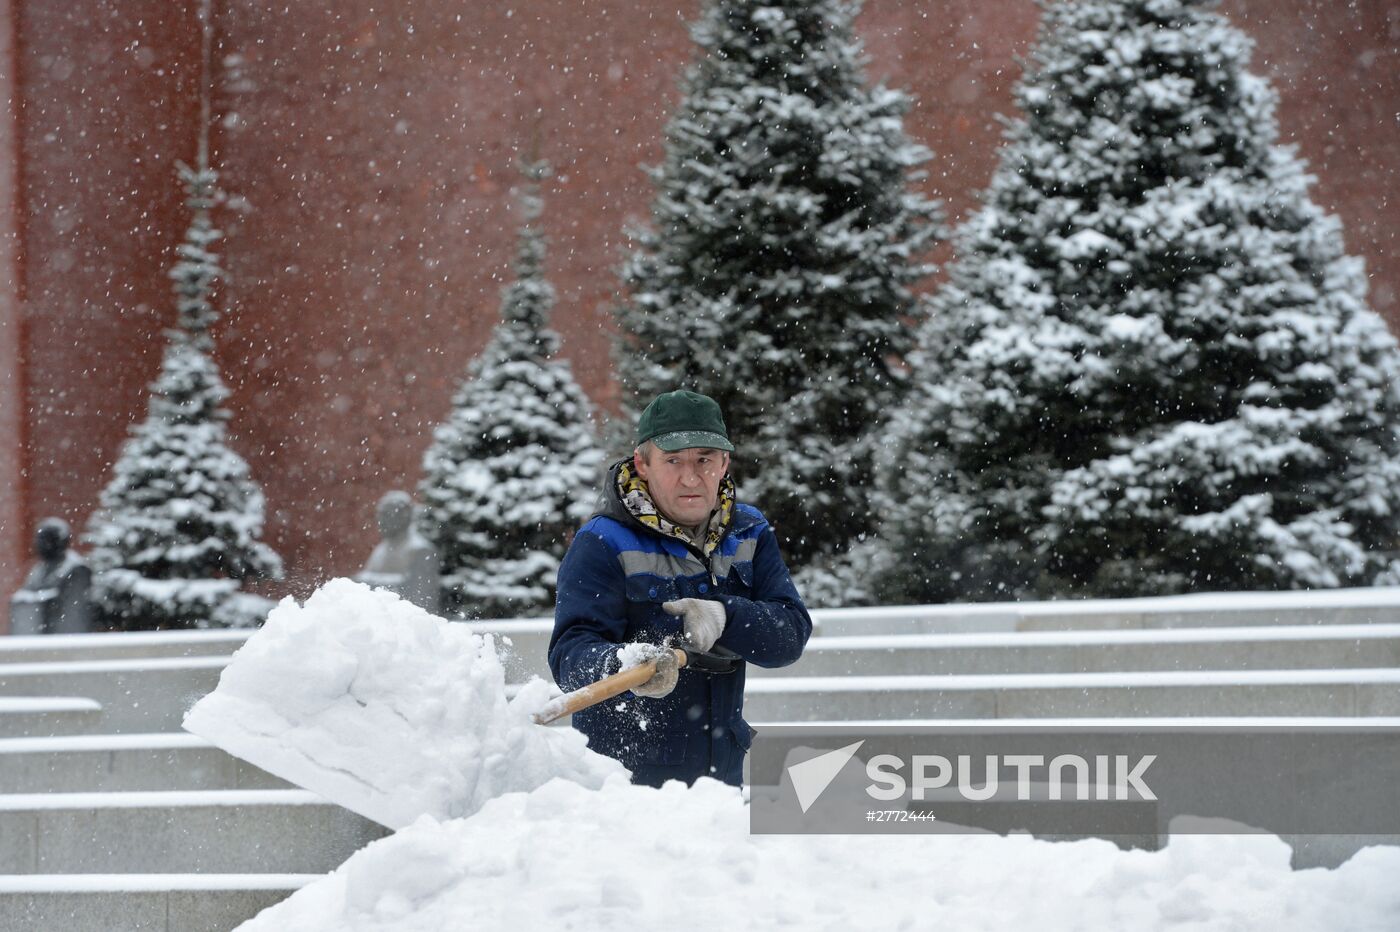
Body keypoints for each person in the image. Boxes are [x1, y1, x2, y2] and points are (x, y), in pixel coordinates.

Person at [548, 389, 811, 787]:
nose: (691, 477)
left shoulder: (749, 532)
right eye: (673, 460)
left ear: (724, 463)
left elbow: (789, 636)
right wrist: (627, 663)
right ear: (643, 464)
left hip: (719, 777)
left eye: (704, 459)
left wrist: (725, 617)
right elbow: (569, 657)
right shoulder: (603, 542)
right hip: (624, 784)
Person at [356, 491, 442, 613]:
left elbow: (419, 598)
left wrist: (364, 583)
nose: (380, 521)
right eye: (380, 515)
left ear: (404, 517)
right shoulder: (380, 549)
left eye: (387, 515)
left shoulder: (420, 550)